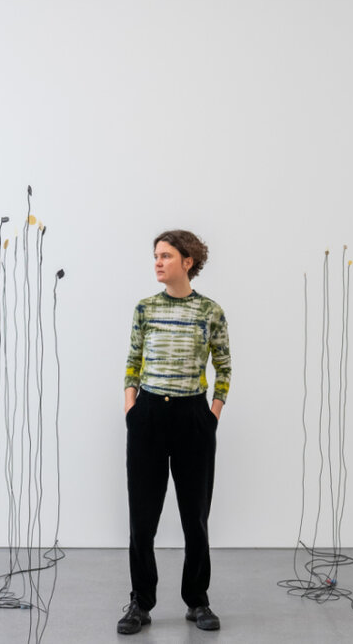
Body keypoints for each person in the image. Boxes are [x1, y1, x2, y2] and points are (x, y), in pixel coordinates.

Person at [117, 230, 231, 635]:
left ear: (188, 261)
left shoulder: (210, 311)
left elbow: (224, 367)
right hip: (148, 415)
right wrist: (131, 408)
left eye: (166, 256)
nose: (158, 262)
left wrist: (211, 415)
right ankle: (140, 602)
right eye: (156, 256)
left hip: (192, 418)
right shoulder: (145, 309)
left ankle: (197, 601)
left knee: (195, 516)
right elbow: (133, 361)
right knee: (142, 518)